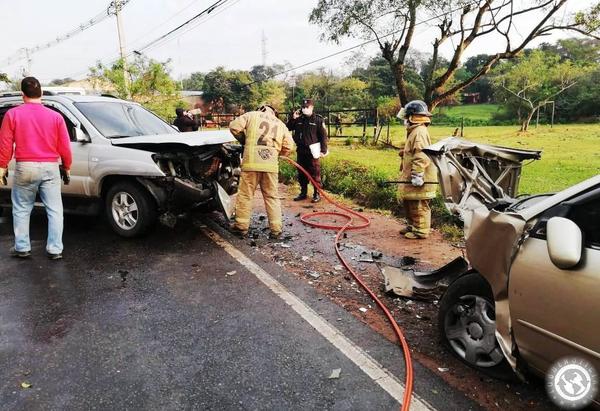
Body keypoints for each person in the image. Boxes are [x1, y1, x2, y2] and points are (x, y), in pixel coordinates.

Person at [0, 77, 72, 259]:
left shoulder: (13, 114)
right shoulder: (55, 116)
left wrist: (2, 166)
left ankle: (22, 247)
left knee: (22, 208)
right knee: (55, 210)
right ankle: (55, 250)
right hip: (50, 167)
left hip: (25, 167)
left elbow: (5, 145)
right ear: (41, 94)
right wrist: (67, 166)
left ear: (22, 95)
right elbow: (64, 145)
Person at [229, 104, 294, 239]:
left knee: (246, 195)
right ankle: (276, 230)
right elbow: (289, 145)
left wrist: (244, 140)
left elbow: (234, 126)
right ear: (273, 112)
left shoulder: (251, 115)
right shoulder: (280, 124)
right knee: (272, 197)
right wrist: (277, 153)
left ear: (260, 109)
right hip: (270, 166)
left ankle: (241, 227)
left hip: (251, 164)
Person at [396, 100, 437, 240]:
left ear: (412, 117)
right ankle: (412, 226)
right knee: (410, 202)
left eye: (406, 117)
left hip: (420, 177)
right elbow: (414, 150)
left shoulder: (419, 132)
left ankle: (421, 231)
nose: (404, 120)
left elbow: (421, 154)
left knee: (418, 205)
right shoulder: (415, 131)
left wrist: (417, 174)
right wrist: (405, 153)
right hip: (412, 176)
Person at [286, 98, 328, 203]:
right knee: (301, 173)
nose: (304, 109)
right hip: (301, 150)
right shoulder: (299, 119)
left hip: (313, 151)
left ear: (312, 107)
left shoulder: (318, 120)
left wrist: (323, 150)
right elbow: (288, 128)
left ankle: (317, 193)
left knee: (315, 172)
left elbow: (323, 136)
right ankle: (303, 193)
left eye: (307, 107)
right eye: (303, 107)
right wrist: (293, 118)